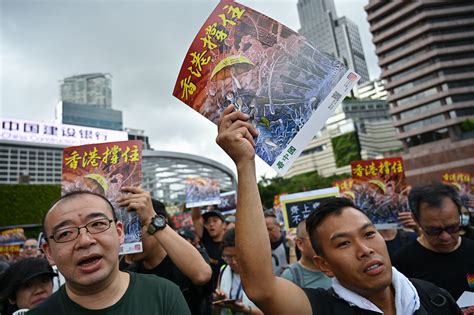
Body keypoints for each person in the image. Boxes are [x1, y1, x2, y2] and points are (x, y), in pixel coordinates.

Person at [215, 104, 461, 314]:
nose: (365, 250)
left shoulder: (435, 300)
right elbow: (261, 288)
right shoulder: (322, 309)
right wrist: (245, 164)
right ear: (324, 265)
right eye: (343, 243)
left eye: (368, 234)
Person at [30, 190, 190, 314]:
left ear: (120, 232)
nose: (85, 241)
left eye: (97, 224)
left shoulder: (163, 295)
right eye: (65, 233)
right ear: (49, 252)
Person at [120, 189, 213, 315]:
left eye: (135, 228)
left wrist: (150, 218)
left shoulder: (187, 260)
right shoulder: (130, 273)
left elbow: (202, 275)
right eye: (124, 229)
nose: (128, 237)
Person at [392, 183, 474, 300]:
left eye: (452, 227)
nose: (445, 237)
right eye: (434, 230)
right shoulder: (402, 263)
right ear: (416, 220)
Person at [213, 228, 262, 315]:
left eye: (237, 256)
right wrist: (218, 302)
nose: (234, 262)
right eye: (228, 257)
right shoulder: (223, 270)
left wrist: (245, 309)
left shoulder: (259, 274)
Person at [280, 220, 331, 289]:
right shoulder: (291, 276)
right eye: (316, 239)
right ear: (300, 243)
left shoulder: (336, 268)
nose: (323, 243)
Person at [192, 207, 226, 290]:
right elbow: (196, 218)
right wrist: (195, 199)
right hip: (209, 290)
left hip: (226, 289)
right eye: (208, 222)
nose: (211, 224)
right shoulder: (206, 238)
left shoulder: (231, 243)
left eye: (215, 221)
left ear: (224, 225)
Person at [264, 210, 289, 276]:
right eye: (264, 230)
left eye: (270, 229)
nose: (267, 233)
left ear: (278, 226)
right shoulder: (262, 248)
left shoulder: (289, 244)